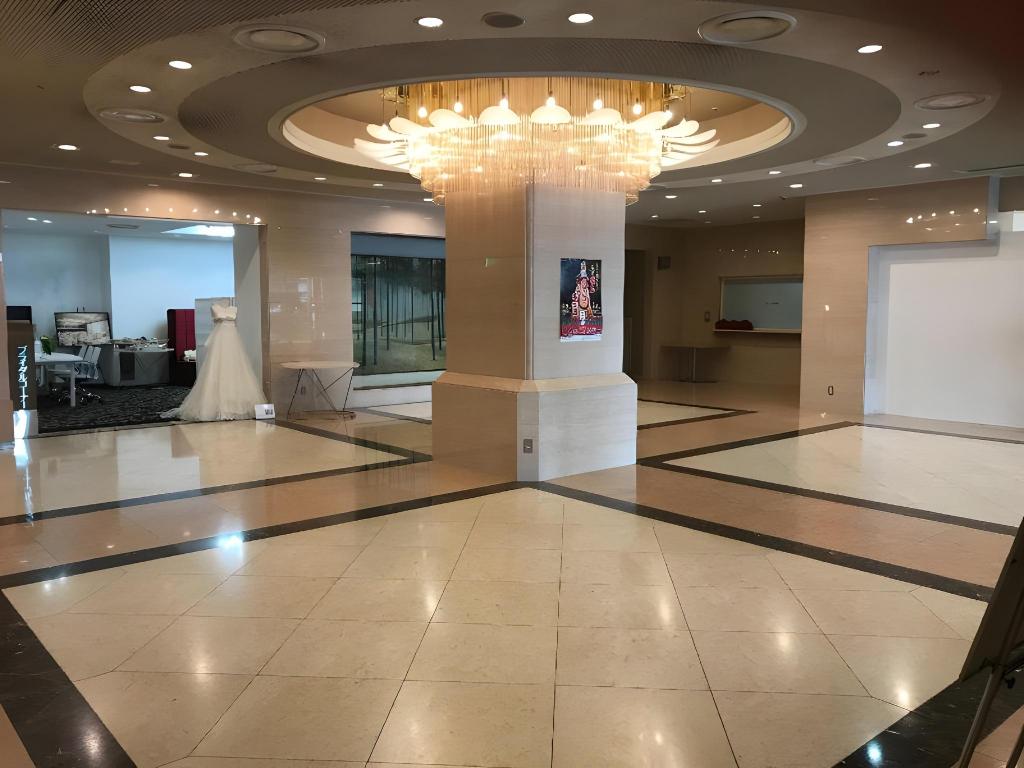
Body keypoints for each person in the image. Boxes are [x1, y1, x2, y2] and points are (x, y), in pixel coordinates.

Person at [163, 303, 265, 421]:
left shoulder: (234, 308)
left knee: (235, 368)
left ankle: (237, 405)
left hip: (233, 341)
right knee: (216, 369)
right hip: (219, 342)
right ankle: (214, 407)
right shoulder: (214, 307)